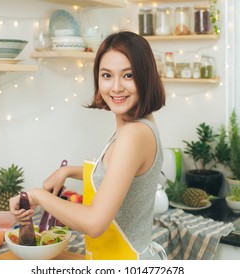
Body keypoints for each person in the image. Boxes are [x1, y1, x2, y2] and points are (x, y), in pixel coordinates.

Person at [10, 31, 167, 260]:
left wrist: (37, 196)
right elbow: (119, 175)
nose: (115, 87)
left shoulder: (133, 134)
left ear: (146, 77)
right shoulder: (139, 126)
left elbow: (94, 223)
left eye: (128, 75)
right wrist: (68, 171)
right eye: (106, 75)